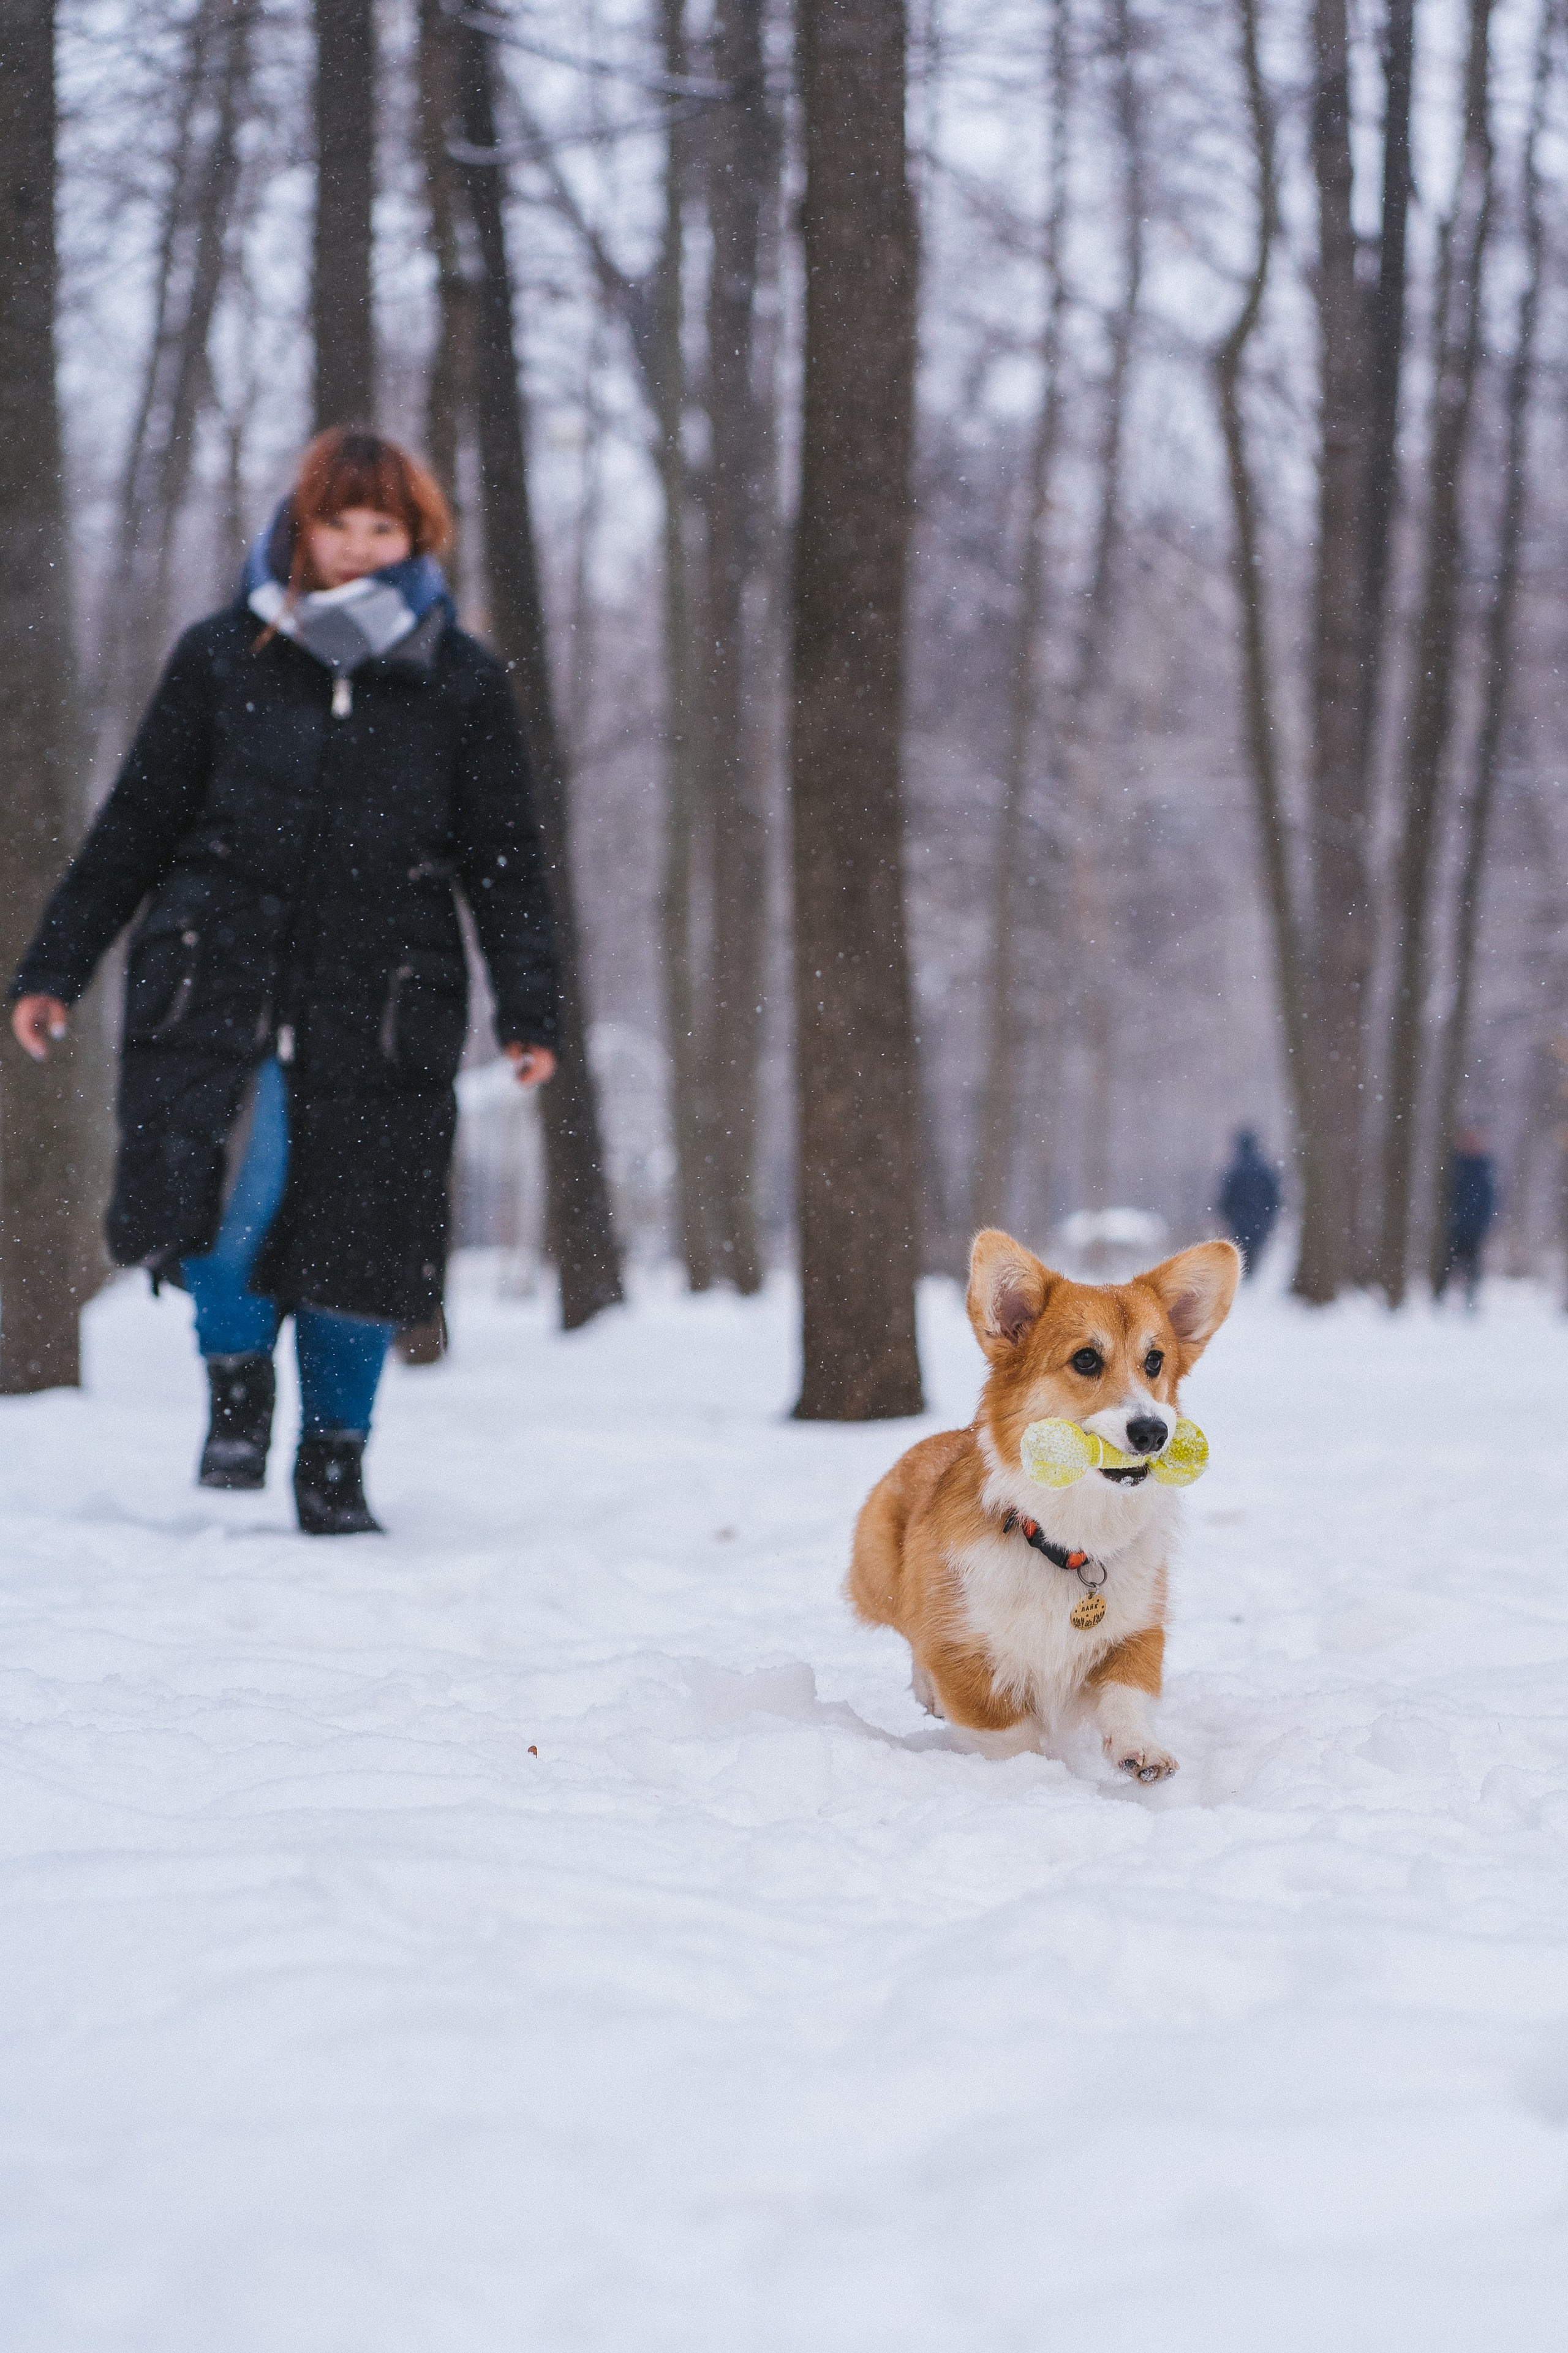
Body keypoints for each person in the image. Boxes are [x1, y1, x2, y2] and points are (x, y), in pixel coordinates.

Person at [9, 429, 559, 1534]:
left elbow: (505, 856)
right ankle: (238, 1395)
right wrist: (56, 965)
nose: (357, 548)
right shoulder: (225, 653)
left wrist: (529, 1006)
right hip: (221, 984)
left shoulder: (458, 677)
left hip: (387, 999)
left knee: (362, 1232)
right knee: (227, 1201)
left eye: (381, 528)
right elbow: (139, 823)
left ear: (415, 539)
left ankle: (335, 1461)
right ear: (299, 529)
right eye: (337, 524)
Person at [1434, 1125, 1498, 1308]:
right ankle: (1439, 1298)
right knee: (1447, 1264)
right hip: (1456, 1225)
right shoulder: (1456, 1164)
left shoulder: (1484, 1167)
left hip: (1475, 1226)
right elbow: (1447, 1194)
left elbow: (1489, 1198)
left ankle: (1470, 1300)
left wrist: (1485, 1222)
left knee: (1472, 1266)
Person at [1218, 1128, 1281, 1276]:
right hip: (1260, 1217)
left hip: (1239, 1219)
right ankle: (1251, 1276)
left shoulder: (1235, 1170)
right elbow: (1274, 1196)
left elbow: (1226, 1198)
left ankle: (1245, 1276)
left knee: (1242, 1250)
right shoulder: (1265, 1169)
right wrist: (1271, 1214)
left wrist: (1226, 1215)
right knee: (1254, 1249)